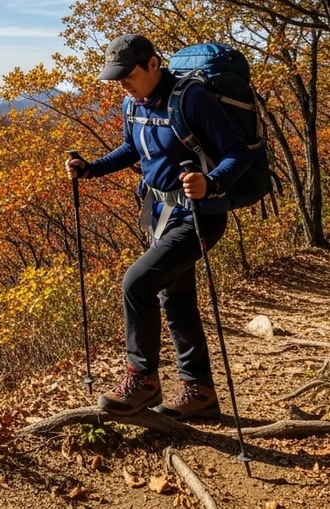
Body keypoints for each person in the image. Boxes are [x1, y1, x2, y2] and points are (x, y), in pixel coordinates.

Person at [66, 34, 251, 419]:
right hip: (160, 217)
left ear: (154, 64)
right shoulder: (133, 104)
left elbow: (237, 152)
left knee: (137, 282)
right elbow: (132, 149)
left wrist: (211, 182)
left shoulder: (191, 98)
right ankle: (199, 391)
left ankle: (143, 380)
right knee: (175, 298)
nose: (123, 84)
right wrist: (91, 168)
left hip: (201, 217)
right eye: (117, 78)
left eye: (129, 75)